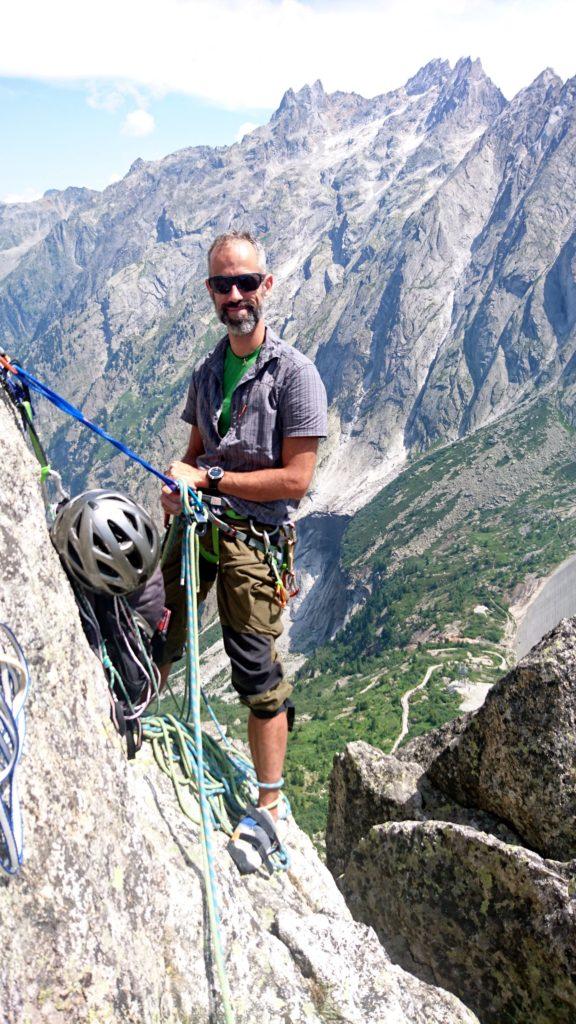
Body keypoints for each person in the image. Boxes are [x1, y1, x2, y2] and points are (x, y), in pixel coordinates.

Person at [159, 231, 327, 872]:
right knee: (160, 621)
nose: (236, 296)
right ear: (210, 293)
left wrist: (213, 480)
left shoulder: (294, 375)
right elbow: (196, 454)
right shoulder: (208, 371)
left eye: (246, 283)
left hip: (254, 539)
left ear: (267, 286)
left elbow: (296, 479)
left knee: (256, 669)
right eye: (223, 285)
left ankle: (270, 811)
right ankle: (137, 707)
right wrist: (181, 481)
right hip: (199, 526)